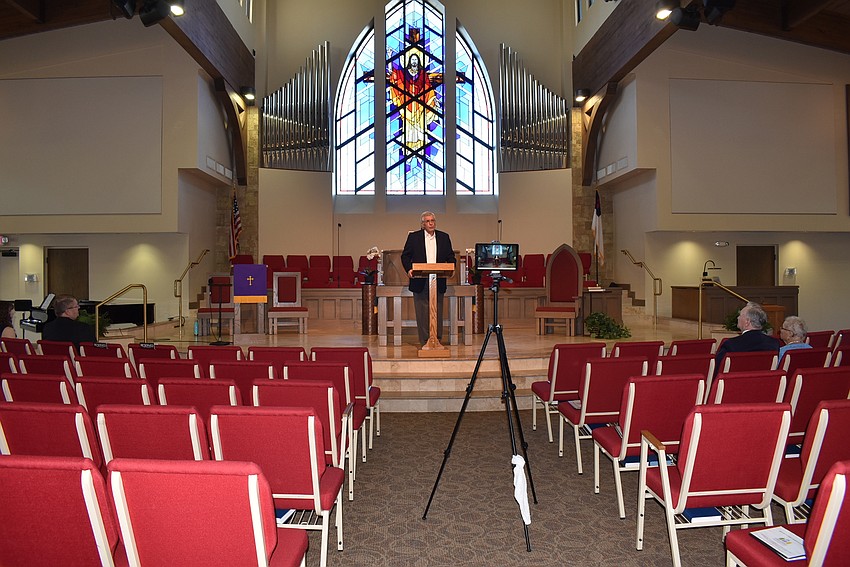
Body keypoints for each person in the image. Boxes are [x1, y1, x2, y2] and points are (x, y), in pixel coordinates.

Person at [401, 211, 456, 345]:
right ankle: (425, 340)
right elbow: (405, 256)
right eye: (428, 221)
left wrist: (451, 266)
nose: (431, 223)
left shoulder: (444, 237)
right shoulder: (414, 237)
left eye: (433, 221)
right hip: (419, 279)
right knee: (422, 311)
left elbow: (450, 256)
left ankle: (437, 339)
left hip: (439, 279)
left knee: (437, 309)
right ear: (422, 224)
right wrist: (409, 269)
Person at [714, 301, 781, 373]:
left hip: (735, 383)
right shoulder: (773, 343)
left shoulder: (731, 345)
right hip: (763, 382)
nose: (737, 318)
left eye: (740, 315)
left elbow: (717, 369)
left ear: (747, 322)